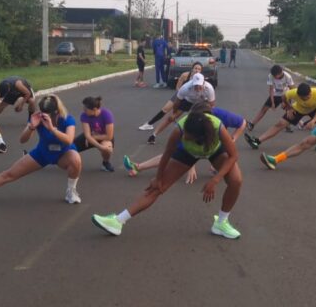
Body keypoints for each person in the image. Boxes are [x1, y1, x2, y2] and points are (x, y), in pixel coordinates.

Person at [92, 105, 242, 240]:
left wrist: (215, 180)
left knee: (236, 181)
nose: (185, 136)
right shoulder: (180, 129)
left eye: (188, 136)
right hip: (187, 153)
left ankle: (221, 223)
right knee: (156, 188)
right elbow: (167, 154)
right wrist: (158, 178)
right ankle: (117, 221)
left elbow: (233, 155)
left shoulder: (217, 127)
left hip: (215, 151)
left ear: (200, 135)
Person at [123, 106, 246, 185]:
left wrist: (232, 139)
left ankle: (217, 170)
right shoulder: (191, 127)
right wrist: (190, 166)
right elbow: (174, 153)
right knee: (175, 152)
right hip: (199, 145)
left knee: (231, 173)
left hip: (215, 146)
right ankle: (138, 167)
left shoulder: (221, 116)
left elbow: (242, 123)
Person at [139, 66, 215, 144]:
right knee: (171, 118)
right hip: (188, 100)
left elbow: (212, 105)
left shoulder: (209, 88)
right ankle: (153, 135)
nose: (197, 88)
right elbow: (177, 102)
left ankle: (209, 137)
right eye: (195, 85)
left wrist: (207, 113)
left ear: (203, 82)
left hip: (201, 102)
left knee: (206, 118)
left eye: (199, 86)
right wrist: (174, 113)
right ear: (192, 82)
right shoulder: (185, 88)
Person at [244, 82, 316, 149]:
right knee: (280, 124)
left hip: (314, 109)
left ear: (310, 93)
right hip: (298, 109)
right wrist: (289, 108)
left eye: (306, 98)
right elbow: (283, 98)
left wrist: (313, 121)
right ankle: (257, 141)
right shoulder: (293, 92)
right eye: (301, 98)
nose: (304, 99)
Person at [248, 64, 294, 132]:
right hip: (276, 94)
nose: (275, 77)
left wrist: (285, 101)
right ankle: (252, 124)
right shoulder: (271, 76)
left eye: (276, 76)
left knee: (288, 110)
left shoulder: (288, 76)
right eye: (274, 76)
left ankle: (287, 125)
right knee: (264, 108)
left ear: (281, 72)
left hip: (286, 94)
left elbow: (292, 90)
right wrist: (272, 103)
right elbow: (271, 89)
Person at [74, 95, 115, 171]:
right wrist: (92, 140)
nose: (84, 111)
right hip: (90, 136)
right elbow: (87, 135)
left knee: (107, 149)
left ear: (94, 109)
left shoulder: (107, 115)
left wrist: (93, 138)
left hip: (104, 137)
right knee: (71, 148)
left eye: (86, 109)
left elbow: (109, 136)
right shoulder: (84, 116)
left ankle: (105, 163)